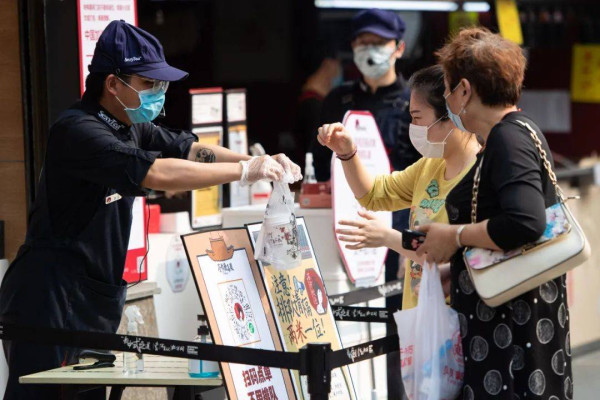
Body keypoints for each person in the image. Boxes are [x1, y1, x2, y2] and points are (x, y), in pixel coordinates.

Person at [0, 20, 301, 400]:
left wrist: (260, 162)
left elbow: (188, 149)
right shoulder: (78, 130)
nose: (159, 93)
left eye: (162, 85)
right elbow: (158, 172)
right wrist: (243, 172)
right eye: (149, 83)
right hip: (48, 299)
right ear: (113, 83)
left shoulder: (131, 126)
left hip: (93, 298)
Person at [415, 27, 572, 398]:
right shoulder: (520, 131)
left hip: (511, 332)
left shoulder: (507, 138)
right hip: (518, 315)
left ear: (466, 90)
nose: (449, 99)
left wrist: (453, 236)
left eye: (450, 88)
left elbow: (524, 221)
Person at [317, 65, 480, 310]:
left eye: (417, 118)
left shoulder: (481, 172)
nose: (413, 127)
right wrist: (347, 153)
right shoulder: (428, 167)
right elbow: (373, 194)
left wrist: (388, 237)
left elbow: (457, 255)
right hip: (419, 312)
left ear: (451, 115)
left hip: (457, 318)